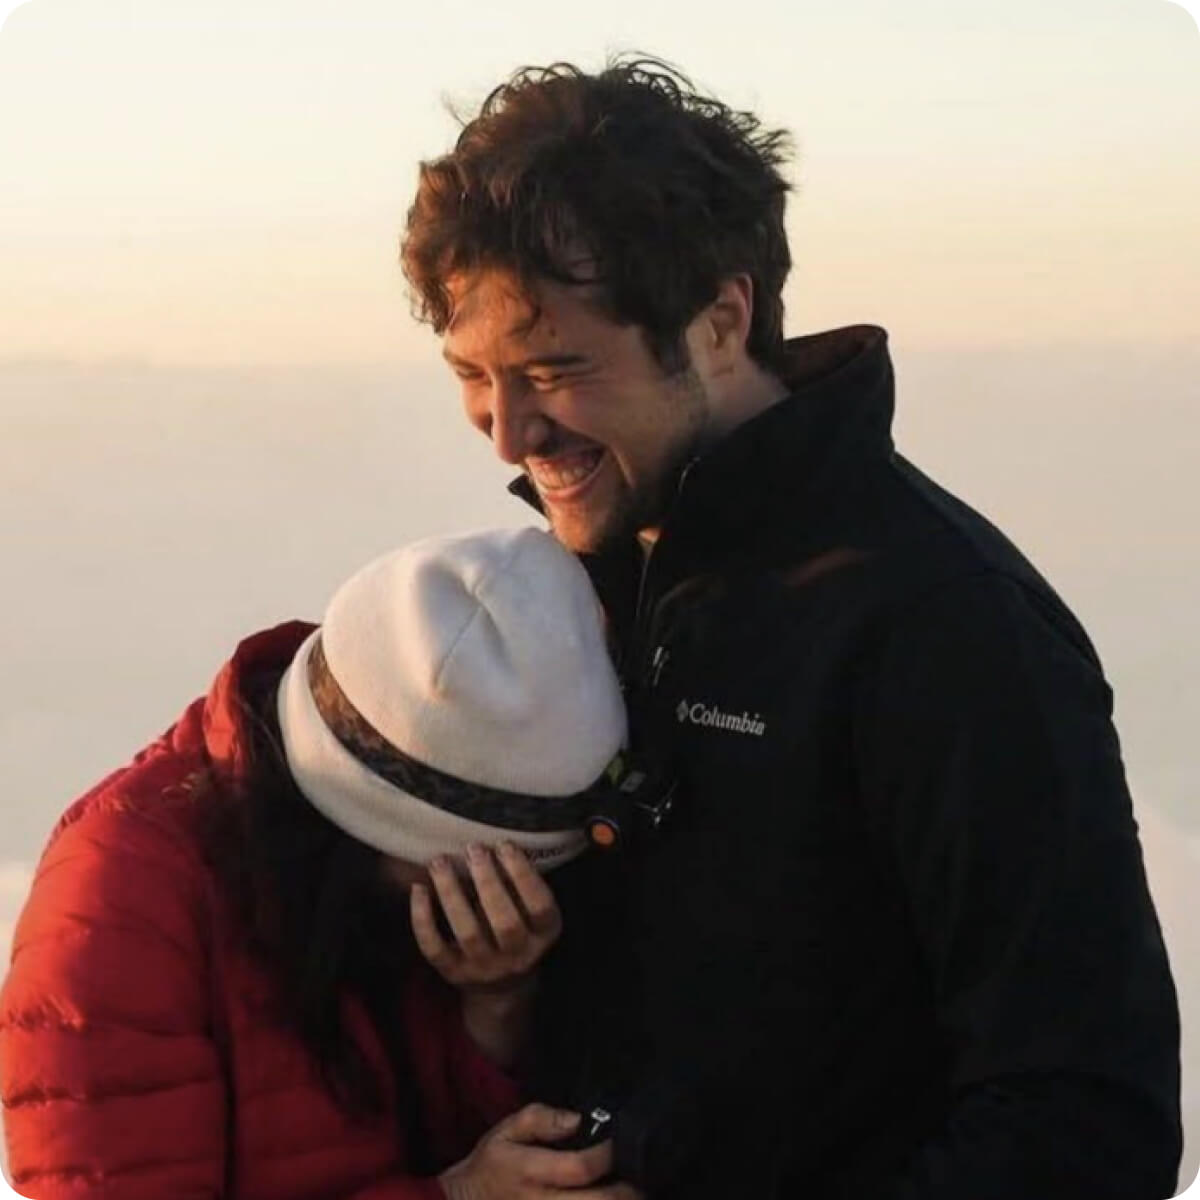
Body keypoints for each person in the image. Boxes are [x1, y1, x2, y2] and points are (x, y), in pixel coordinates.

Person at [398, 55, 1184, 1198]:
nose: (507, 433)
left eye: (555, 369)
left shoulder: (946, 626)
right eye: (471, 375)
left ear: (722, 319)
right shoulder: (577, 587)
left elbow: (1087, 1127)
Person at [0, 527, 641, 1200]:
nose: (507, 896)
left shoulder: (368, 890)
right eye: (485, 864)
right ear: (379, 826)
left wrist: (496, 1007)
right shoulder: (120, 907)